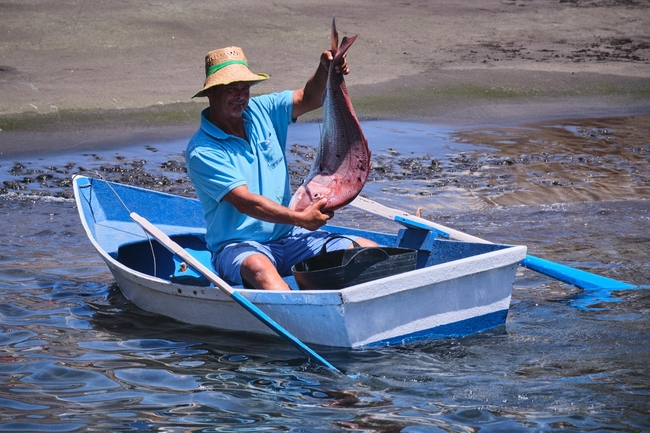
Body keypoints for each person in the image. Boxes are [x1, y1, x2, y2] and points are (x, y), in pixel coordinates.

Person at [185, 46, 377, 291]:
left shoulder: (261, 110)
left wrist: (325, 69)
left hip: (291, 237)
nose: (240, 96)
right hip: (239, 246)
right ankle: (301, 321)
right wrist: (300, 218)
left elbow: (308, 98)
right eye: (230, 88)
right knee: (258, 267)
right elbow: (246, 202)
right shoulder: (203, 150)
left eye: (244, 89)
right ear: (210, 93)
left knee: (368, 252)